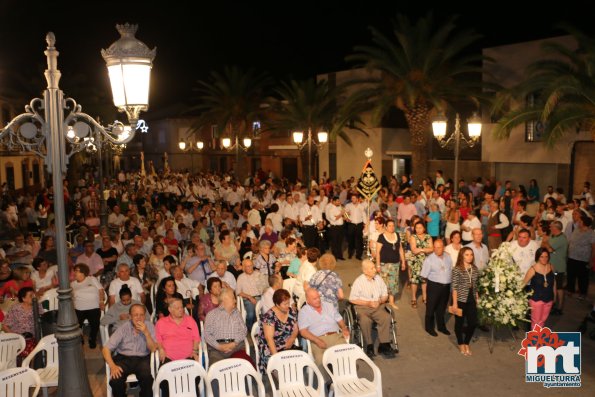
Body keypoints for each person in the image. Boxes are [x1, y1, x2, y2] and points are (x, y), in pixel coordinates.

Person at [102, 304, 157, 397]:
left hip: (143, 358)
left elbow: (153, 349)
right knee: (116, 380)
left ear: (145, 315)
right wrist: (112, 366)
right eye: (136, 315)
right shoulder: (123, 328)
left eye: (142, 315)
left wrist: (146, 333)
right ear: (130, 316)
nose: (139, 318)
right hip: (124, 359)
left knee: (147, 378)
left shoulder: (150, 326)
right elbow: (106, 349)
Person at [349, 259, 396, 359]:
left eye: (374, 267)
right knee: (365, 321)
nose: (375, 270)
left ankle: (384, 345)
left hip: (377, 306)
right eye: (372, 268)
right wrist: (368, 303)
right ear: (365, 271)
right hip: (363, 308)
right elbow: (352, 299)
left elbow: (385, 295)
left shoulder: (379, 279)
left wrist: (379, 302)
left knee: (386, 317)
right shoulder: (359, 281)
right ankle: (369, 345)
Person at [298, 288, 349, 368]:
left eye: (318, 297)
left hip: (335, 337)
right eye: (314, 299)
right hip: (318, 339)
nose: (318, 300)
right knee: (321, 360)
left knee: (346, 354)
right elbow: (303, 331)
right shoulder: (303, 312)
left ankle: (347, 373)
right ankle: (327, 379)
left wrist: (344, 328)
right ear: (308, 300)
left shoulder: (329, 305)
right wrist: (317, 340)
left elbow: (339, 319)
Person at [257, 289, 299, 374]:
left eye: (288, 302)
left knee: (298, 364)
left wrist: (292, 339)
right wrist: (277, 359)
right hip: (271, 348)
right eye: (285, 304)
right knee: (282, 371)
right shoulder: (269, 316)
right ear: (277, 304)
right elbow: (269, 340)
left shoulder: (291, 311)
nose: (288, 305)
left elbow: (295, 328)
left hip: (286, 344)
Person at [204, 289, 248, 364]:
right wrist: (219, 347)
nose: (235, 301)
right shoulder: (212, 314)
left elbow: (244, 331)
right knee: (217, 371)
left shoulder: (236, 313)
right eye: (233, 298)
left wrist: (234, 344)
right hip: (217, 351)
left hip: (236, 348)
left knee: (245, 366)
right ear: (224, 299)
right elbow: (207, 334)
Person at [2, 287, 43, 362]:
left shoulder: (38, 306)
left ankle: (30, 369)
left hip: (32, 338)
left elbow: (42, 321)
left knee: (32, 350)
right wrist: (15, 336)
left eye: (34, 294)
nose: (34, 297)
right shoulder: (15, 309)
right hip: (17, 339)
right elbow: (4, 326)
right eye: (31, 296)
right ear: (24, 299)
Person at [420, 239, 452, 337]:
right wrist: (424, 294)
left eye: (440, 247)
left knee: (442, 308)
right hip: (434, 286)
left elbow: (450, 270)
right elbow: (423, 277)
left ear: (443, 247)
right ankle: (429, 328)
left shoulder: (448, 257)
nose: (437, 249)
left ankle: (441, 327)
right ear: (433, 248)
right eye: (436, 247)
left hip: (446, 287)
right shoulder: (429, 259)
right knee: (431, 308)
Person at [451, 247, 479, 356]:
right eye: (467, 254)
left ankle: (467, 342)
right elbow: (454, 287)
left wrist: (477, 298)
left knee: (473, 323)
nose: (470, 257)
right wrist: (454, 303)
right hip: (460, 300)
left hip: (471, 299)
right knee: (459, 323)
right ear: (462, 256)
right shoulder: (457, 269)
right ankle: (460, 343)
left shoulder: (475, 269)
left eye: (471, 254)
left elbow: (475, 286)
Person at [155, 297, 201, 362]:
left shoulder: (190, 320)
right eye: (177, 308)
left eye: (182, 307)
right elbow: (158, 340)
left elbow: (196, 338)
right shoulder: (161, 323)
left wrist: (195, 351)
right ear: (170, 309)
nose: (181, 310)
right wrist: (161, 349)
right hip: (168, 358)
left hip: (189, 357)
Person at [71, 264, 105, 348]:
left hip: (94, 306)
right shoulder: (72, 284)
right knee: (76, 325)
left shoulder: (91, 279)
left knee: (95, 324)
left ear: (83, 272)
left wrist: (101, 301)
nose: (75, 272)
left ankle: (92, 338)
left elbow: (101, 290)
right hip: (79, 308)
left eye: (77, 271)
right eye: (74, 270)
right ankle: (80, 338)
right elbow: (71, 297)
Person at [374, 219, 405, 310]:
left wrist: (403, 261)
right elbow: (378, 252)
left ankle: (391, 302)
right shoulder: (381, 237)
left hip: (395, 264)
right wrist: (378, 265)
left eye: (393, 225)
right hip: (384, 264)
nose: (392, 227)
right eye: (390, 226)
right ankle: (381, 302)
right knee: (383, 283)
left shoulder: (397, 235)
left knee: (393, 284)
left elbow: (400, 249)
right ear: (386, 227)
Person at [523, 248, 556, 329]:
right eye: (542, 257)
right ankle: (534, 340)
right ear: (537, 257)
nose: (544, 259)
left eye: (546, 256)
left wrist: (555, 296)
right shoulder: (532, 269)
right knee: (536, 321)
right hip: (536, 299)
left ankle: (538, 337)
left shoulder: (551, 266)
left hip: (549, 298)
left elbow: (554, 282)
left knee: (543, 320)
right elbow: (523, 283)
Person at [541, 220, 568, 314]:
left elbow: (549, 249)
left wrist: (545, 242)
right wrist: (545, 243)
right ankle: (553, 303)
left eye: (551, 227)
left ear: (556, 228)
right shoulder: (554, 236)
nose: (550, 228)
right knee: (553, 285)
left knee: (559, 287)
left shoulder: (561, 239)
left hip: (558, 267)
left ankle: (560, 307)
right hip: (552, 266)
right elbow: (544, 247)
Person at [566, 214, 595, 300]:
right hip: (572, 257)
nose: (578, 222)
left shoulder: (591, 233)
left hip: (583, 259)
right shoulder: (576, 230)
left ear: (584, 223)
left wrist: (591, 260)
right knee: (571, 275)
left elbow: (594, 247)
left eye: (580, 221)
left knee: (583, 277)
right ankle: (570, 290)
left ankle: (582, 293)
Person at [236, 258, 266, 332]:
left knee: (267, 311)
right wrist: (249, 297)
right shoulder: (241, 277)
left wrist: (264, 295)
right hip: (248, 299)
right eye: (247, 266)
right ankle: (250, 329)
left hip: (260, 297)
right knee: (251, 314)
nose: (250, 268)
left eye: (251, 266)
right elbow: (238, 292)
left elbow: (265, 287)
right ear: (243, 267)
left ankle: (264, 329)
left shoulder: (259, 274)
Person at [409, 221, 433, 308]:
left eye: (420, 228)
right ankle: (413, 298)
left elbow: (432, 249)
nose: (418, 229)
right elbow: (414, 250)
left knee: (424, 280)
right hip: (416, 262)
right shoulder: (413, 237)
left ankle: (425, 296)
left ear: (424, 228)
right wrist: (425, 249)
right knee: (414, 281)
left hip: (427, 262)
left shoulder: (428, 236)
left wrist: (420, 249)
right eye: (417, 228)